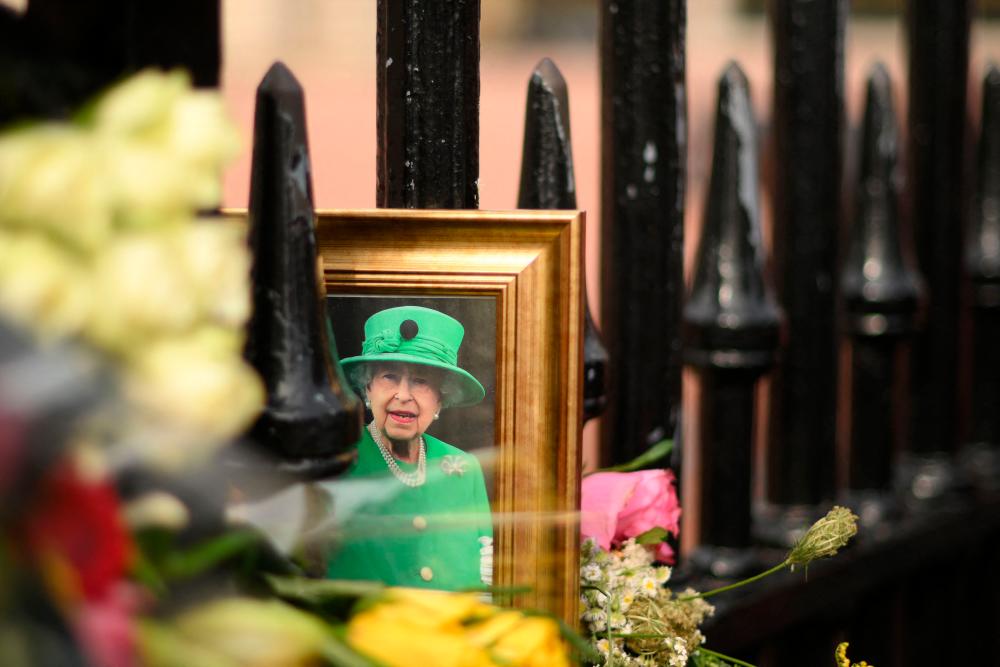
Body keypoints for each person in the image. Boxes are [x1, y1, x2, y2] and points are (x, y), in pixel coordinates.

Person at [325, 305, 493, 591]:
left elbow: (485, 573)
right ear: (367, 388)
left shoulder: (463, 466)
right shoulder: (337, 460)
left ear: (440, 399)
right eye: (389, 376)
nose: (403, 395)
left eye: (421, 381)